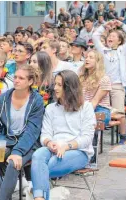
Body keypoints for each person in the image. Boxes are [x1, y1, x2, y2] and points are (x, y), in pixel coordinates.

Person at [31, 70, 96, 200]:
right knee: (37, 155)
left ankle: (37, 193)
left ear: (70, 87)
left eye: (59, 85)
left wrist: (67, 146)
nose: (55, 88)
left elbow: (87, 138)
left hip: (78, 151)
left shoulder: (86, 107)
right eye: (55, 84)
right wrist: (49, 142)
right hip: (53, 148)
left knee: (43, 168)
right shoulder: (51, 108)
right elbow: (45, 134)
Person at [0, 65, 44, 200]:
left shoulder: (37, 100)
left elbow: (32, 131)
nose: (16, 80)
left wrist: (17, 152)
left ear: (30, 82)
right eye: (15, 77)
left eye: (21, 78)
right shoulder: (3, 98)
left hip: (27, 143)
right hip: (5, 140)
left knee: (13, 164)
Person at [92, 19, 126, 144]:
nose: (110, 37)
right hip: (102, 86)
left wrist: (121, 25)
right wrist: (104, 26)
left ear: (119, 40)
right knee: (99, 110)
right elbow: (95, 36)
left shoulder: (123, 50)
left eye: (113, 36)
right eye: (109, 36)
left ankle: (123, 137)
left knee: (120, 112)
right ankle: (96, 138)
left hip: (117, 85)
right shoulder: (103, 50)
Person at [79, 50, 112, 126]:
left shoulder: (104, 78)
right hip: (84, 107)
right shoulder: (81, 77)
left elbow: (95, 101)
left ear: (97, 62)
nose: (87, 59)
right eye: (86, 57)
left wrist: (83, 113)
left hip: (100, 109)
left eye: (91, 57)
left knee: (87, 120)